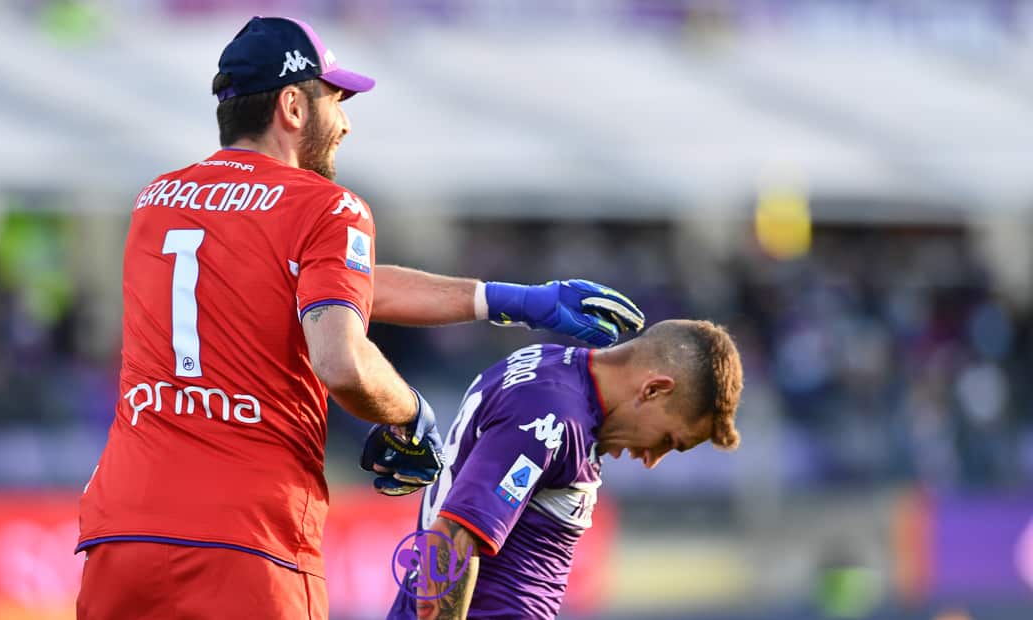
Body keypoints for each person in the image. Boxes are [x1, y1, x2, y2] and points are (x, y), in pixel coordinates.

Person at [74, 16, 645, 620]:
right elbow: (340, 359)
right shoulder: (325, 206)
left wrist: (507, 300)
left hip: (121, 533)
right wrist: (411, 416)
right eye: (335, 99)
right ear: (293, 106)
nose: (344, 121)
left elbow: (332, 283)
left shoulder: (156, 199)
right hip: (248, 541)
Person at [382, 319, 744, 620]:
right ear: (653, 390)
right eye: (667, 440)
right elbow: (451, 537)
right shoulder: (550, 416)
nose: (651, 459)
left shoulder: (554, 368)